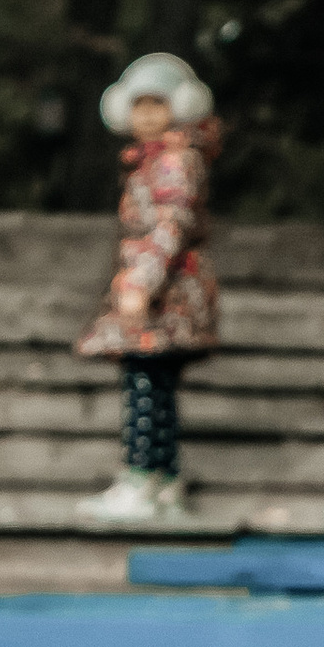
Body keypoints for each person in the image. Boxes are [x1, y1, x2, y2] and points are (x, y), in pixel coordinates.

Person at [74, 49, 222, 526]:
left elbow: (170, 226)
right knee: (152, 385)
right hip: (161, 291)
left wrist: (141, 282)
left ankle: (143, 478)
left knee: (145, 383)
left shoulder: (175, 162)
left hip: (166, 297)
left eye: (157, 105)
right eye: (139, 106)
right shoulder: (154, 160)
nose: (148, 116)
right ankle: (161, 480)